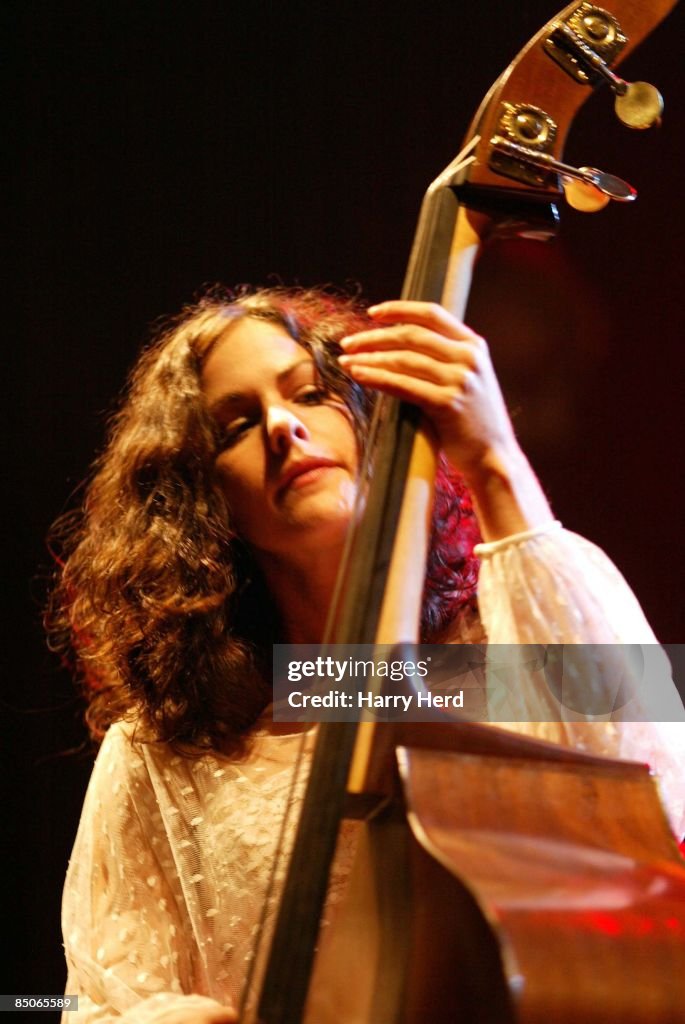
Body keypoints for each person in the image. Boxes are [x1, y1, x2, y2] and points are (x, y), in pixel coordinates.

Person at [49, 286, 685, 1023]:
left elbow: (658, 803)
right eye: (236, 425)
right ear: (205, 502)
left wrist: (493, 461)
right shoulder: (164, 746)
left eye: (311, 394)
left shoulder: (503, 656)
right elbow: (99, 1002)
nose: (283, 427)